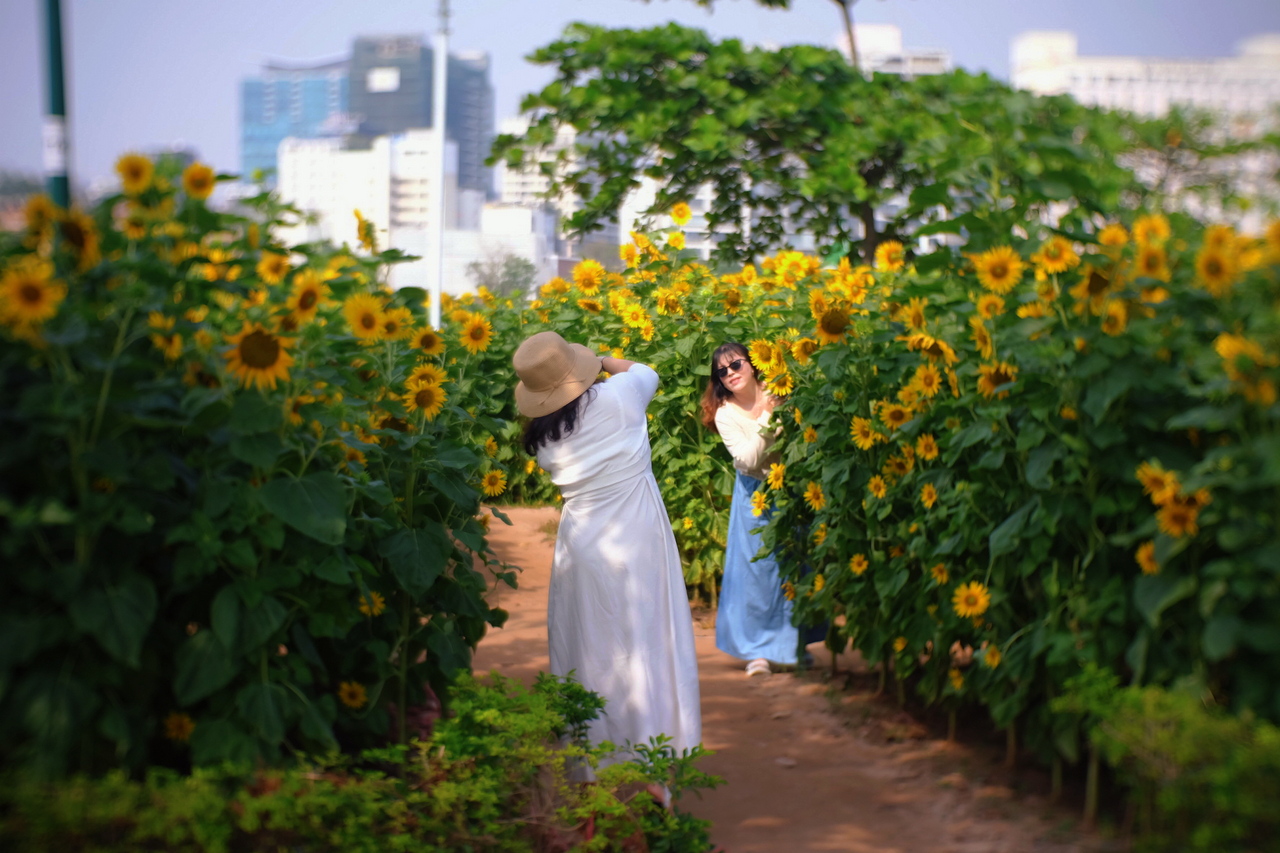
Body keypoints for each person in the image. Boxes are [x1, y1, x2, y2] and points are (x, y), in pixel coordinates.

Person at [513, 330, 702, 775]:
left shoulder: (543, 439)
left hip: (583, 543)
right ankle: (655, 762)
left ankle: (595, 769)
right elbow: (646, 372)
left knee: (591, 647)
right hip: (637, 536)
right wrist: (600, 360)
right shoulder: (620, 398)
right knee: (648, 639)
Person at [700, 342, 808, 677]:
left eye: (735, 365)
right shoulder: (725, 413)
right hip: (755, 495)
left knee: (795, 567)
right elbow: (746, 459)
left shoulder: (779, 388)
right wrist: (770, 417)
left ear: (753, 364)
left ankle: (792, 646)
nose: (730, 374)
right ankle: (758, 651)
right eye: (722, 371)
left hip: (791, 487)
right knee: (756, 574)